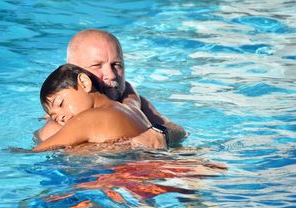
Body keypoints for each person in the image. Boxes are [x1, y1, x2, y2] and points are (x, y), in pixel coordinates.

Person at [35, 29, 186, 149]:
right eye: (96, 66)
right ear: (78, 75)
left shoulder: (130, 101)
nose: (111, 75)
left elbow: (179, 130)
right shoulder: (60, 123)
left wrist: (160, 134)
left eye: (116, 65)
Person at [32, 63, 151, 152]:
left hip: (133, 175)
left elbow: (39, 149)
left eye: (60, 104)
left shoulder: (88, 118)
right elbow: (132, 96)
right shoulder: (131, 108)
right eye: (55, 117)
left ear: (84, 82)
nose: (61, 117)